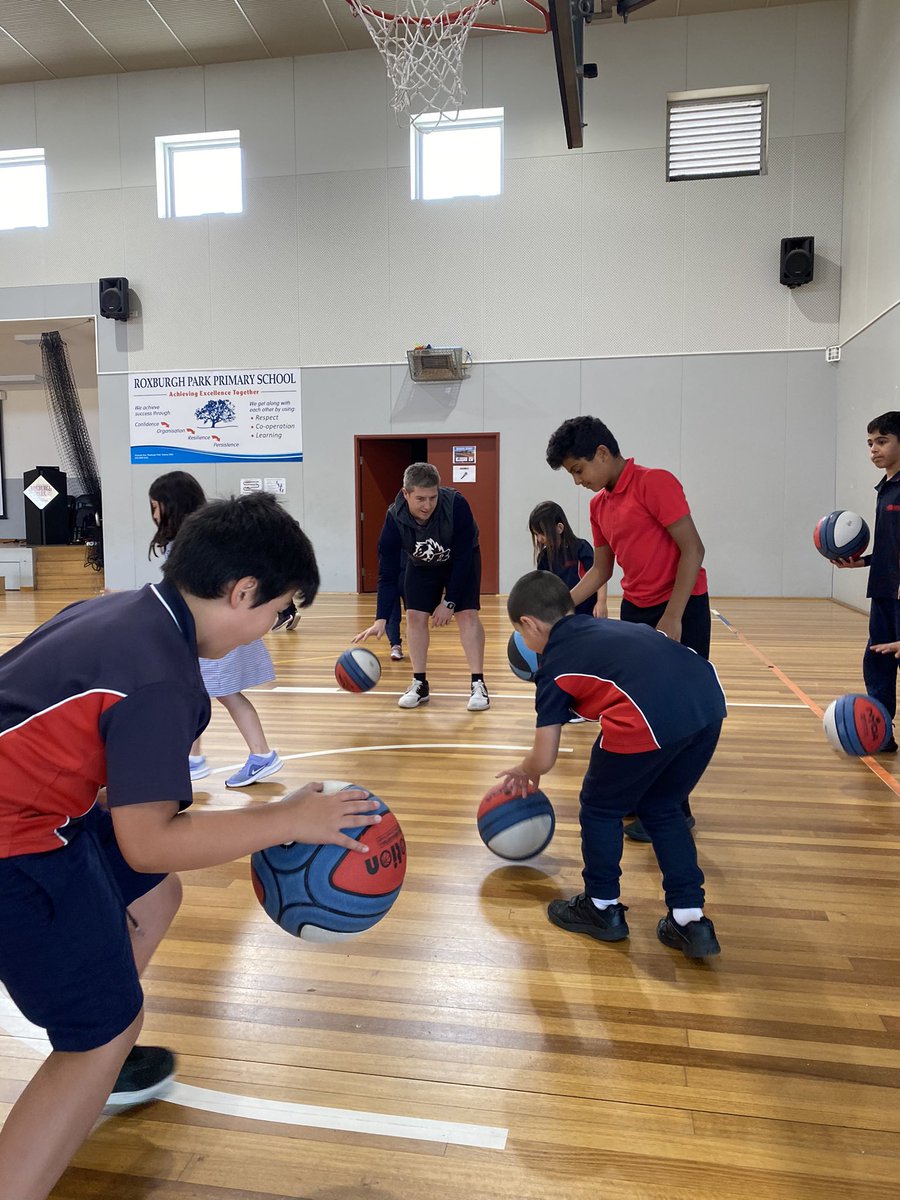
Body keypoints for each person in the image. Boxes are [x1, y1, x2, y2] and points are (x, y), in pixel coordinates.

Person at [0, 493, 382, 1200]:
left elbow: (122, 816)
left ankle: (99, 1047)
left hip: (41, 810)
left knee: (154, 898)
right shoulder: (159, 675)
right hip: (15, 839)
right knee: (102, 1031)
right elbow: (148, 843)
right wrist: (288, 819)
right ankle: (95, 1049)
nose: (272, 627)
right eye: (279, 611)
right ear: (243, 592)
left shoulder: (124, 612)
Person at [496, 570, 725, 960]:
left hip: (651, 714)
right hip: (708, 703)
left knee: (600, 806)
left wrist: (526, 769)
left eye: (521, 632)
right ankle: (690, 920)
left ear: (529, 624)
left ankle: (601, 907)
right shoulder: (601, 627)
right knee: (662, 806)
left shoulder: (555, 665)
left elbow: (545, 757)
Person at [546, 416, 711, 841]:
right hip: (636, 611)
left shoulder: (655, 483)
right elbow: (602, 570)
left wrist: (673, 616)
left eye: (579, 470)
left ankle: (675, 809)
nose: (578, 481)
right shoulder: (598, 506)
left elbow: (693, 549)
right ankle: (641, 797)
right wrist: (558, 608)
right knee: (638, 708)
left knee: (675, 710)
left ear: (602, 453)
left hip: (683, 607)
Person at [149, 472, 284, 787]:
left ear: (170, 504)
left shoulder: (192, 542)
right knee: (200, 691)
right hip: (220, 627)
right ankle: (196, 758)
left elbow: (187, 592)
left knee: (219, 693)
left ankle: (259, 755)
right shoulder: (205, 533)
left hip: (219, 629)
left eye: (155, 506)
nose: (153, 514)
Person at [353, 462, 489, 711]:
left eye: (432, 497)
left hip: (461, 561)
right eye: (420, 499)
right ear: (406, 493)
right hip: (422, 564)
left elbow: (463, 558)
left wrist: (450, 602)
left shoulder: (456, 504)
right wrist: (381, 618)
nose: (427, 505)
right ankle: (419, 683)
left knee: (467, 614)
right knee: (414, 616)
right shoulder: (394, 518)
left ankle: (478, 683)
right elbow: (387, 574)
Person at [833, 411, 900, 752]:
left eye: (882, 441)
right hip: (883, 592)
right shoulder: (885, 489)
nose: (874, 449)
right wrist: (862, 561)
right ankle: (882, 732)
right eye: (870, 443)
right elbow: (891, 548)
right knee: (878, 661)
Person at [528, 500, 606, 618]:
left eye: (542, 533)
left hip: (587, 613)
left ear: (559, 528)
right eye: (536, 534)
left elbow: (600, 575)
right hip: (560, 615)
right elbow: (544, 589)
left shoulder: (581, 548)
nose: (539, 539)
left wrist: (601, 602)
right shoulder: (543, 558)